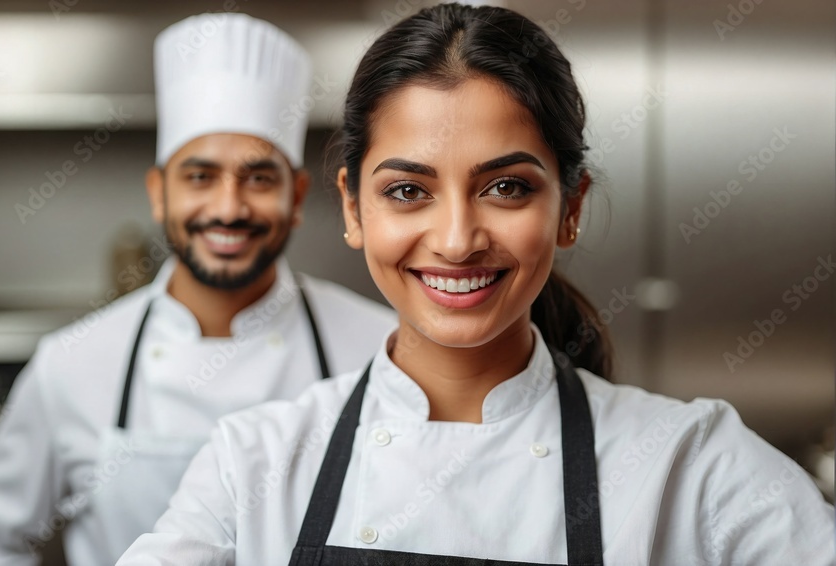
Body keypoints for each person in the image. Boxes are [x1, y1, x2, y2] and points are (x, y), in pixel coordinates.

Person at [115, 4, 835, 565]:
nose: (457, 240)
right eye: (407, 192)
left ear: (570, 208)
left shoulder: (690, 463)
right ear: (352, 208)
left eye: (506, 186)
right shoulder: (256, 464)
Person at [0, 13, 396, 566]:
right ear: (159, 193)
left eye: (258, 178)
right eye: (200, 177)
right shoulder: (73, 364)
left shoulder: (382, 348)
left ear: (297, 196)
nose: (228, 208)